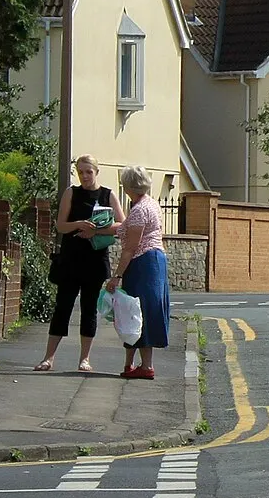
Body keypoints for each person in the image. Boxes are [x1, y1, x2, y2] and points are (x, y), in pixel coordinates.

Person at [36, 156, 115, 373]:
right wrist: (78, 224)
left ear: (96, 171)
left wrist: (96, 230)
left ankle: (85, 359)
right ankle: (48, 358)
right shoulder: (72, 193)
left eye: (88, 172)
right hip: (71, 259)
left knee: (89, 309)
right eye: (80, 172)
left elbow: (121, 225)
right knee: (63, 306)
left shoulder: (108, 195)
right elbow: (60, 225)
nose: (85, 176)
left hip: (96, 259)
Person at [106, 165, 170, 380]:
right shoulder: (149, 204)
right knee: (133, 311)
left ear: (127, 186)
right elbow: (124, 228)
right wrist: (99, 229)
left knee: (138, 312)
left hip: (143, 263)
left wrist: (116, 276)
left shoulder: (139, 211)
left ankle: (146, 366)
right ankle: (130, 365)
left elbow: (130, 249)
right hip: (154, 260)